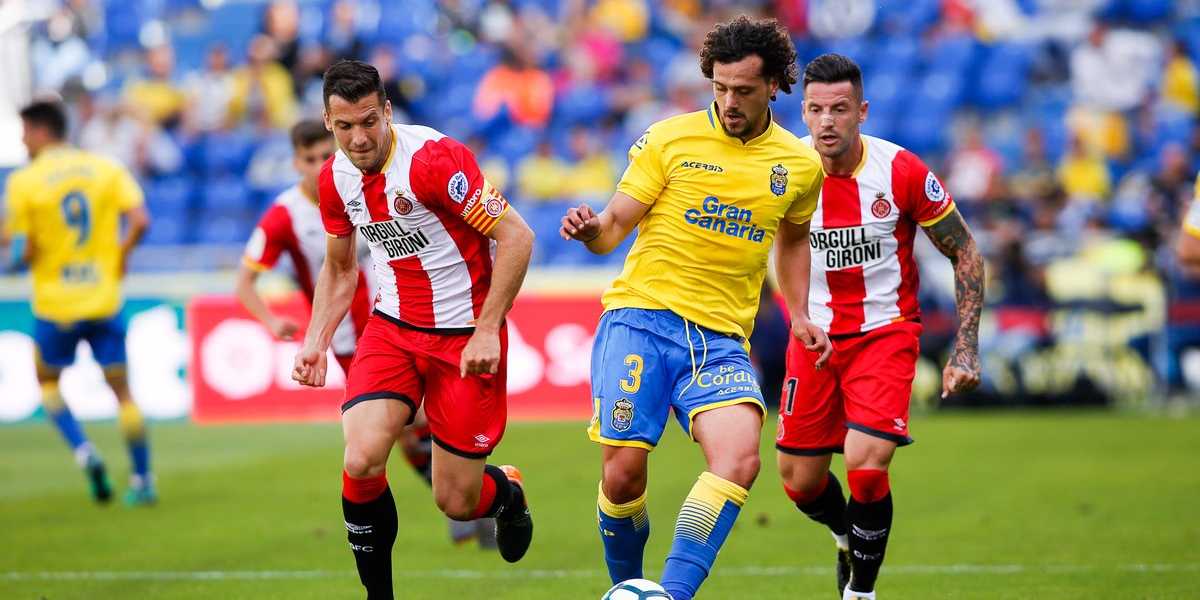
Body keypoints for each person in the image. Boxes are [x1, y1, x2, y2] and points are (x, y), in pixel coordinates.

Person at [560, 17, 829, 600]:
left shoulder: (799, 164)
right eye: (720, 88)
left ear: (774, 86)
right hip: (641, 320)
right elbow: (614, 227)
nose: (729, 102)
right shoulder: (669, 139)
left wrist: (800, 312)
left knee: (739, 459)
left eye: (744, 91)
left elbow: (792, 240)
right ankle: (628, 588)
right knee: (622, 475)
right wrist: (591, 230)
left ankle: (672, 595)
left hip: (720, 340)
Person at [291, 60, 535, 599]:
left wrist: (488, 329)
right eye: (344, 126)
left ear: (387, 111)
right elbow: (340, 269)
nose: (358, 138)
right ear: (328, 122)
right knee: (360, 458)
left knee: (456, 501)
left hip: (464, 338)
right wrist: (315, 340)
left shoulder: (433, 161)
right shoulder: (334, 178)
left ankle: (507, 494)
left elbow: (517, 237)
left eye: (368, 122)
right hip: (393, 329)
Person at [775, 54, 984, 600]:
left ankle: (860, 593)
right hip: (812, 337)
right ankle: (846, 534)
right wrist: (797, 315)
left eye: (839, 109)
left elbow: (964, 251)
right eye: (816, 109)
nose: (826, 121)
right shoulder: (785, 170)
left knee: (867, 466)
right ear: (803, 112)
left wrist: (965, 348)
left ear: (862, 111)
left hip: (884, 333)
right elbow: (774, 245)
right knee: (799, 483)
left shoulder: (901, 171)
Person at [237, 119, 494, 547]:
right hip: (344, 339)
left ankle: (465, 495)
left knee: (415, 421)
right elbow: (244, 281)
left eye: (326, 155)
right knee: (399, 429)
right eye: (310, 159)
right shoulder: (284, 216)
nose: (320, 164)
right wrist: (273, 321)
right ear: (296, 163)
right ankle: (462, 498)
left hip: (395, 320)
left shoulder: (360, 183)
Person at [4, 100, 154, 505]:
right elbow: (141, 220)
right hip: (104, 299)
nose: (23, 140)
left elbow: (19, 251)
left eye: (24, 132)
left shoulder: (24, 181)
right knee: (123, 393)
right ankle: (142, 480)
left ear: (39, 131)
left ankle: (85, 452)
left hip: (56, 306)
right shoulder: (105, 168)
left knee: (48, 383)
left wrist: (19, 254)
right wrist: (121, 254)